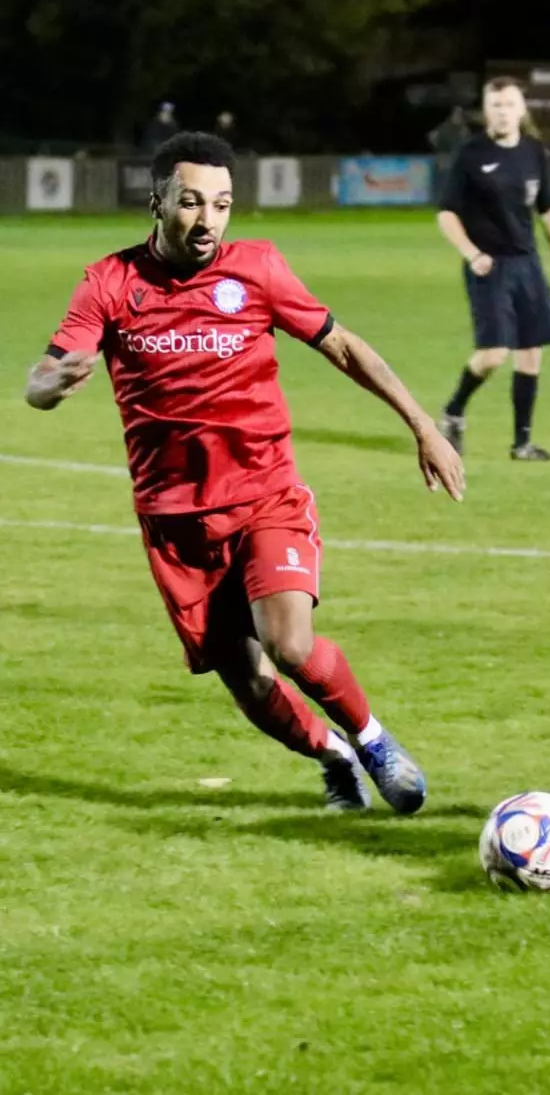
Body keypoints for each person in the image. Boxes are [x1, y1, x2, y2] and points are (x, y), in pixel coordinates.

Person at [24, 132, 465, 814]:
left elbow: (342, 346)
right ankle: (332, 753)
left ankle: (373, 739)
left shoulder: (255, 270)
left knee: (289, 644)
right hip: (175, 517)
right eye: (191, 203)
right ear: (157, 201)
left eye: (223, 204)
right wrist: (53, 381)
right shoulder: (109, 283)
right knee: (248, 681)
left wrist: (422, 425)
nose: (208, 220)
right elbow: (40, 380)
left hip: (264, 492)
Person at [436, 77, 550, 461]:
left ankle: (522, 443)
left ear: (521, 110)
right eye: (494, 104)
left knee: (531, 353)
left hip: (527, 265)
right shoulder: (471, 154)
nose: (501, 111)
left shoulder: (533, 152)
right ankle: (453, 412)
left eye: (508, 104)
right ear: (487, 110)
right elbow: (446, 214)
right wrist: (471, 254)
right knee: (493, 354)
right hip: (488, 267)